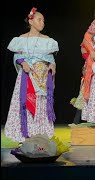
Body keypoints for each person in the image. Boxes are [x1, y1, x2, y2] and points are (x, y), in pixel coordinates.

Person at [5, 7, 58, 142]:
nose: (42, 23)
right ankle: (25, 134)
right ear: (31, 21)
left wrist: (52, 66)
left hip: (42, 75)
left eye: (43, 21)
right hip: (27, 75)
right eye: (39, 20)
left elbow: (50, 58)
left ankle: (40, 133)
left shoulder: (47, 40)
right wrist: (23, 63)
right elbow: (17, 56)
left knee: (40, 103)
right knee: (27, 102)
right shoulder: (21, 39)